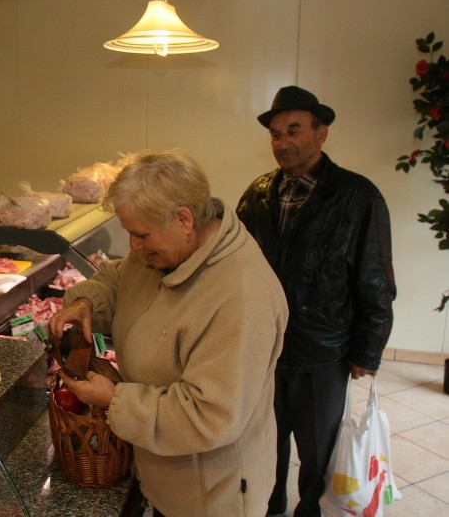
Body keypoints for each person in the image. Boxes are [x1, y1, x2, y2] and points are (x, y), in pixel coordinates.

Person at [47, 150, 288, 517]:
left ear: (184, 219)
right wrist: (87, 303)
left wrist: (115, 399)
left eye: (140, 234)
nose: (134, 246)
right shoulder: (162, 252)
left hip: (210, 498)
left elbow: (209, 416)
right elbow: (118, 278)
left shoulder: (240, 295)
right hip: (165, 482)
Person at [236, 86, 396, 517]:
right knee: (266, 445)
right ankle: (270, 510)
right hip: (266, 349)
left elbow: (376, 278)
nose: (283, 142)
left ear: (321, 133)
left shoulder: (358, 196)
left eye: (294, 130)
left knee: (318, 454)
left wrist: (369, 348)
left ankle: (312, 512)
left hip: (323, 351)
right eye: (275, 133)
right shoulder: (257, 193)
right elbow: (237, 267)